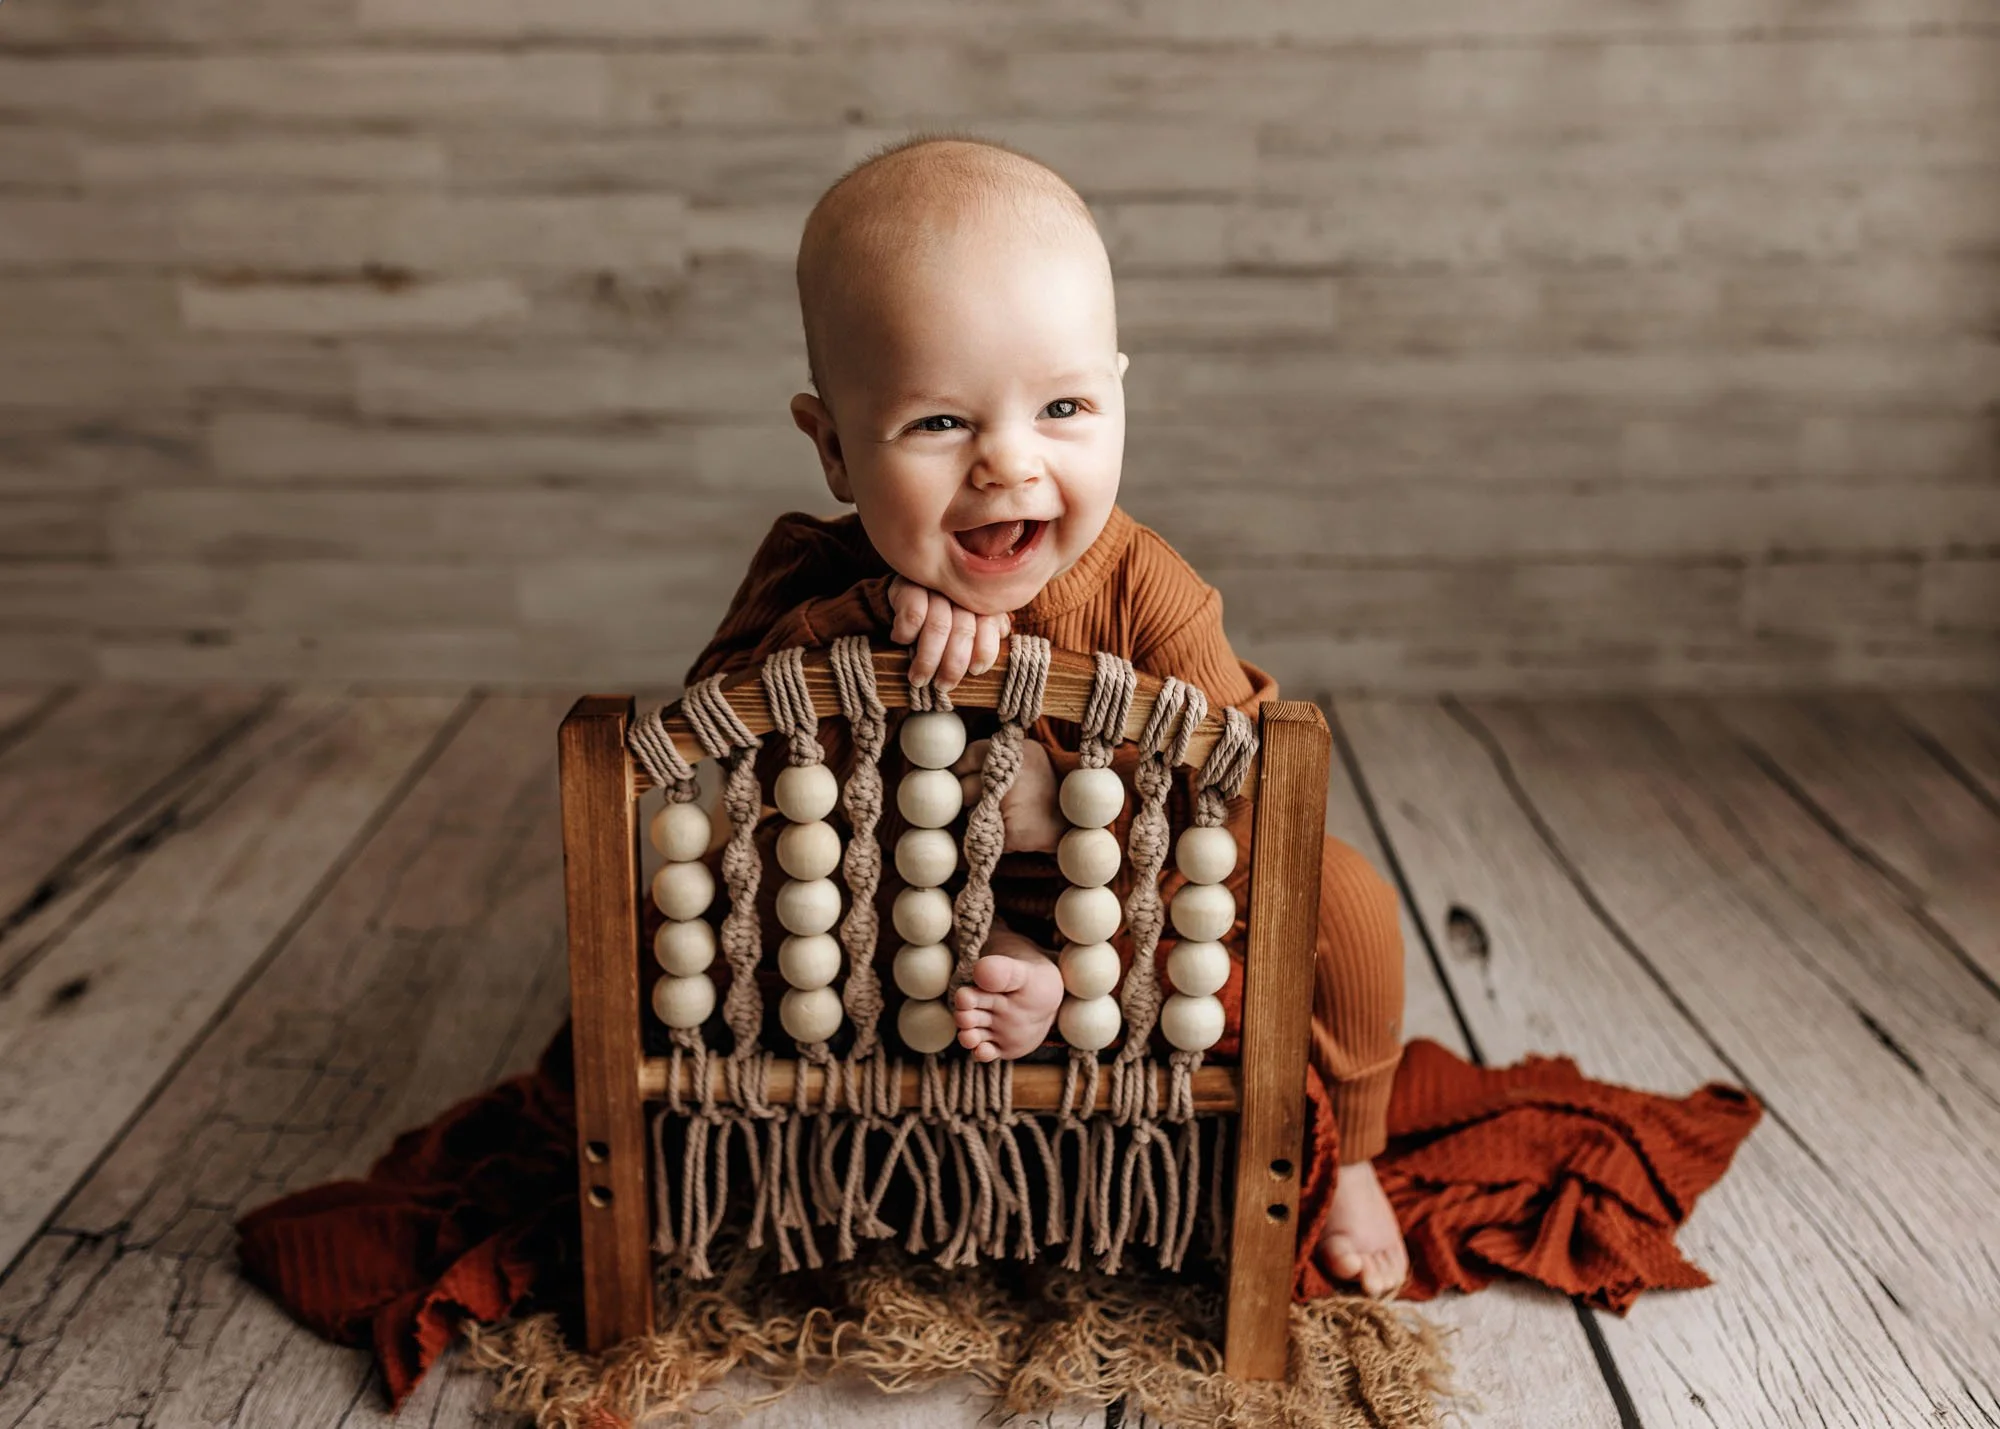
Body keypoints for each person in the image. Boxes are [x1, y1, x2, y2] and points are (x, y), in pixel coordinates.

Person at [683, 133, 1410, 1299]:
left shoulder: (1144, 590)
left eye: (1063, 405)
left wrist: (1083, 795)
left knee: (1343, 899)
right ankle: (991, 980)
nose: (1008, 464)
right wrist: (866, 618)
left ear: (1118, 393)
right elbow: (706, 730)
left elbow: (1249, 782)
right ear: (830, 447)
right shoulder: (816, 578)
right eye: (937, 424)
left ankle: (1356, 1156)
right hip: (875, 912)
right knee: (721, 905)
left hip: (1124, 907)